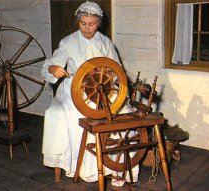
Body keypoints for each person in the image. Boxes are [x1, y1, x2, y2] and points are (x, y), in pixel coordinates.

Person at [41, 1, 138, 186]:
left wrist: (111, 80)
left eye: (91, 24)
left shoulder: (106, 43)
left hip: (102, 89)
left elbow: (117, 71)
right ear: (78, 21)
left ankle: (116, 167)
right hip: (75, 90)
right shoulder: (68, 42)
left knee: (122, 115)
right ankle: (85, 169)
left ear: (99, 23)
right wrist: (53, 68)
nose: (87, 28)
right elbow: (50, 65)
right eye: (83, 23)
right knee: (79, 115)